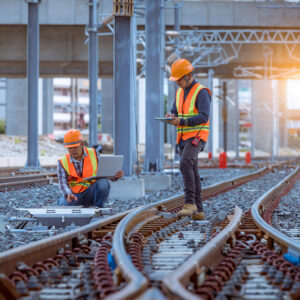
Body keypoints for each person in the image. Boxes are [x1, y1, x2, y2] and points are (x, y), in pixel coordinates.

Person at [166, 58, 211, 220]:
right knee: (192, 169)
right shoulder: (179, 92)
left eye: (179, 79)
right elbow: (175, 111)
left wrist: (183, 121)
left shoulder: (202, 92)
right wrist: (171, 117)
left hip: (197, 136)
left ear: (188, 75)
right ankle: (199, 210)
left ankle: (189, 203)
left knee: (185, 164)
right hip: (183, 137)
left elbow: (204, 116)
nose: (177, 82)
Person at [57, 129, 123, 207]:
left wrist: (114, 176)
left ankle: (98, 207)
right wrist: (68, 194)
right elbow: (63, 183)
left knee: (103, 183)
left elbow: (104, 173)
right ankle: (85, 204)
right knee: (61, 204)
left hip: (91, 191)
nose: (72, 150)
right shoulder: (62, 162)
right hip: (75, 195)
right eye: (69, 148)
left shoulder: (93, 153)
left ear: (81, 144)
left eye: (75, 147)